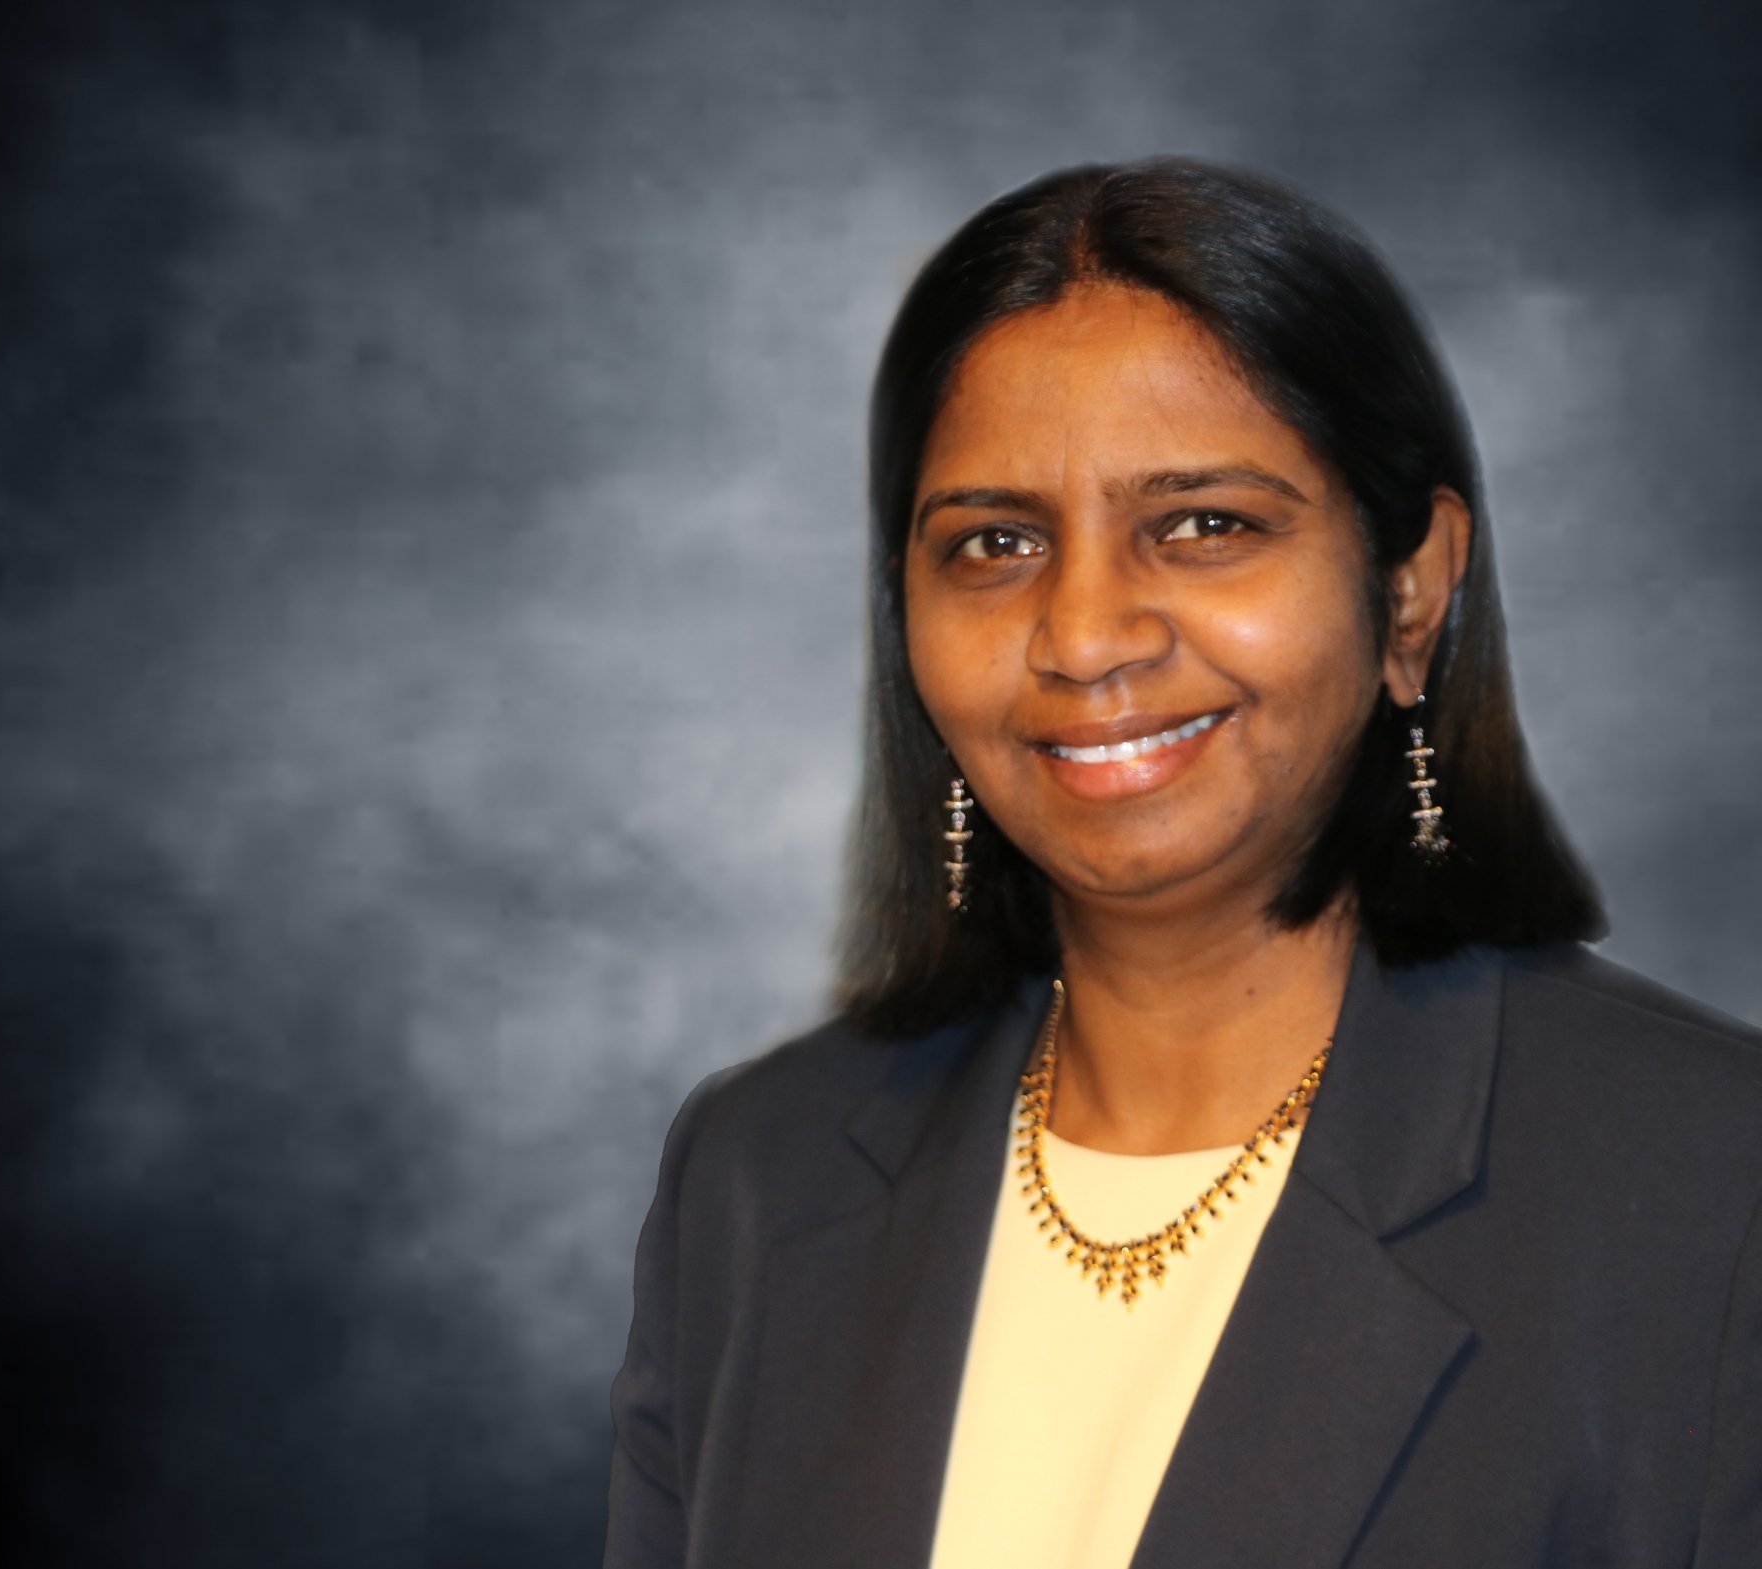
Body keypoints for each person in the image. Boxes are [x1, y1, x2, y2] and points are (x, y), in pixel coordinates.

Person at [602, 159, 1762, 1569]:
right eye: (995, 542)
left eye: (1205, 524)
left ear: (1411, 586)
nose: (1084, 633)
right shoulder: (756, 1177)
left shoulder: (1712, 1188)